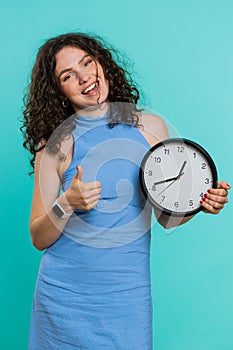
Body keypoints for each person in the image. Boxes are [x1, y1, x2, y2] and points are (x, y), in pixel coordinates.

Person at [21, 32, 230, 349]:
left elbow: (166, 217)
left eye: (87, 63)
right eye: (68, 76)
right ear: (59, 92)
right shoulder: (54, 144)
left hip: (126, 298)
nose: (85, 77)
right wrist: (67, 203)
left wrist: (201, 202)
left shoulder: (150, 128)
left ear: (101, 63)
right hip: (63, 297)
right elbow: (38, 237)